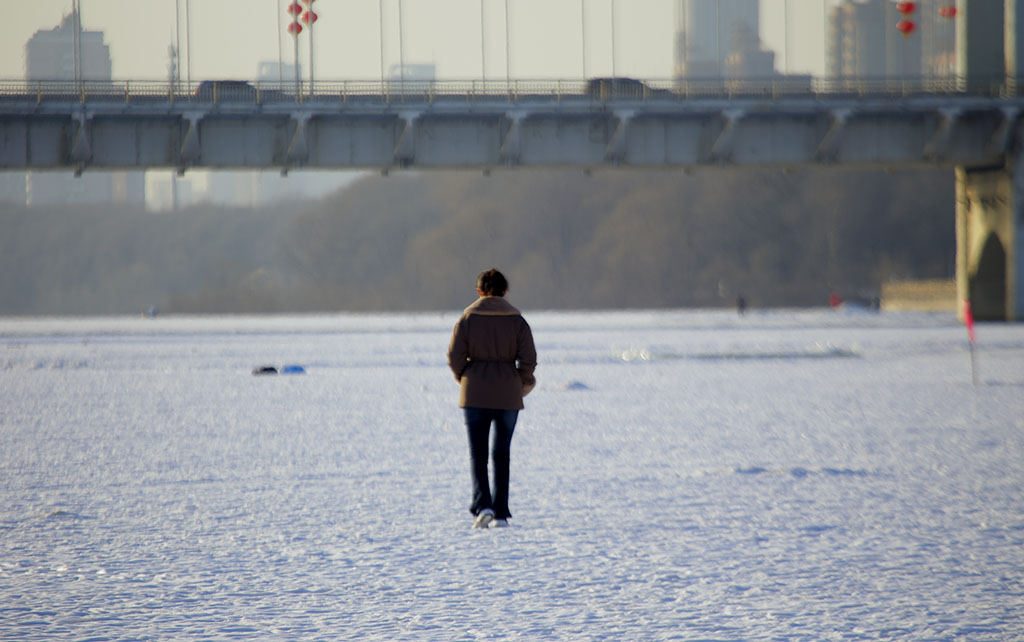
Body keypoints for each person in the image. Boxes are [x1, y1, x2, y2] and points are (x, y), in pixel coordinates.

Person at [447, 268, 537, 529]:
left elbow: (454, 357)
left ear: (479, 291)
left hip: (474, 392)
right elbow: (529, 359)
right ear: (505, 291)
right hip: (508, 393)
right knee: (501, 454)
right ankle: (500, 513)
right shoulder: (518, 321)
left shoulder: (466, 319)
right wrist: (520, 381)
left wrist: (466, 377)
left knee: (478, 454)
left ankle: (482, 505)